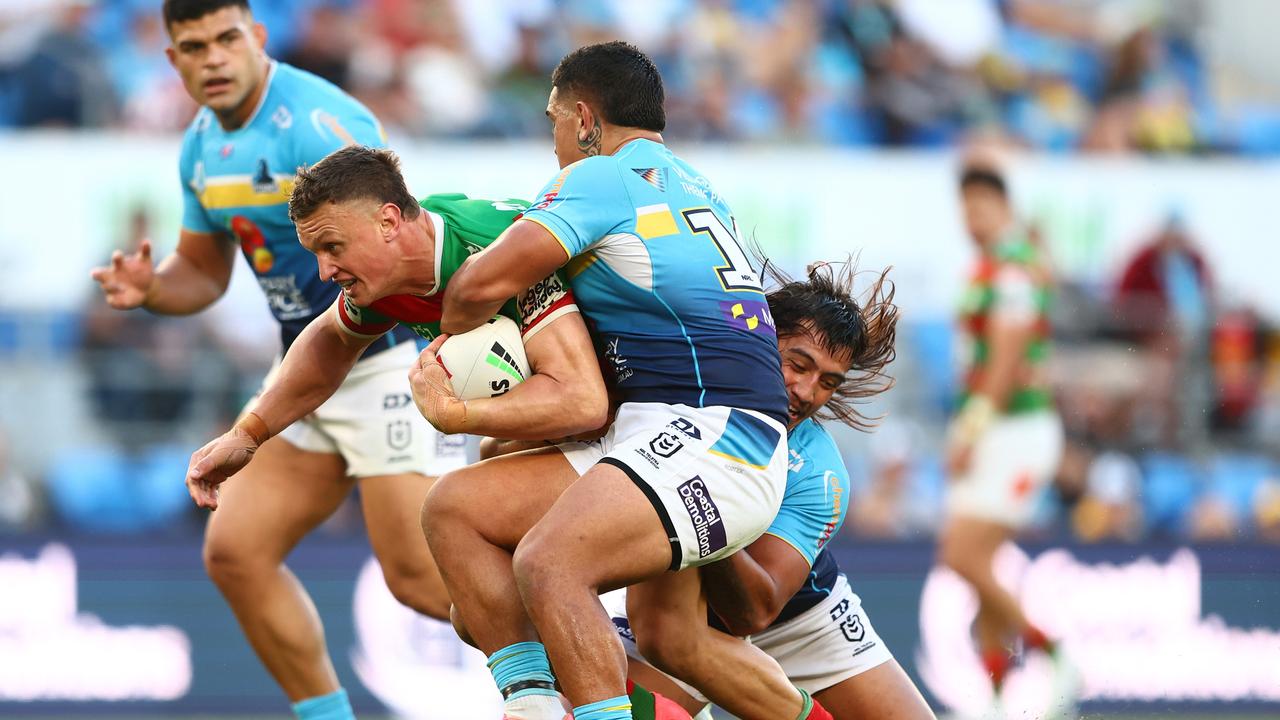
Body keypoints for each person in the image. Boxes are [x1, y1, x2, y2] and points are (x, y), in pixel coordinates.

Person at [421, 41, 829, 720]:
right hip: (665, 427)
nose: (554, 145)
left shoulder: (597, 177)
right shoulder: (692, 182)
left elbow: (482, 282)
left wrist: (450, 337)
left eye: (553, 123)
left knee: (550, 565)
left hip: (713, 437)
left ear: (584, 119)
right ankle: (535, 707)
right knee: (455, 511)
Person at [87, 4, 444, 718]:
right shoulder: (198, 148)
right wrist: (153, 289)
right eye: (194, 47)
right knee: (235, 552)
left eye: (227, 40)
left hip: (382, 358)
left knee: (422, 582)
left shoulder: (314, 124)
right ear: (173, 61)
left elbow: (401, 236)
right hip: (305, 371)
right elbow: (204, 272)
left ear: (257, 38)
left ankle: (619, 668)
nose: (213, 59)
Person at [601, 262, 935, 720]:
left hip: (804, 621)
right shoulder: (675, 392)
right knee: (594, 703)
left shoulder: (819, 472)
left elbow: (755, 612)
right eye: (797, 365)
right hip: (685, 622)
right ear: (760, 338)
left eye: (828, 383)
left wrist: (700, 508)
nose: (806, 392)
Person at [184, 144, 608, 502]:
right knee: (491, 469)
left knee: (459, 507)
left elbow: (584, 402)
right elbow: (331, 339)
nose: (324, 272)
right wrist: (248, 434)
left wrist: (454, 414)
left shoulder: (498, 246)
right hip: (602, 423)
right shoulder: (388, 277)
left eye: (332, 247)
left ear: (388, 221)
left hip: (646, 414)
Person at [938, 164, 1067, 705]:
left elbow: (1009, 351)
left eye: (981, 205)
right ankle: (998, 700)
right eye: (965, 207)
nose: (972, 217)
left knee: (961, 557)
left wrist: (972, 426)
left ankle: (1053, 653)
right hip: (997, 427)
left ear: (1004, 206)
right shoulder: (994, 263)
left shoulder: (1013, 264)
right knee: (979, 567)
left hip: (1014, 430)